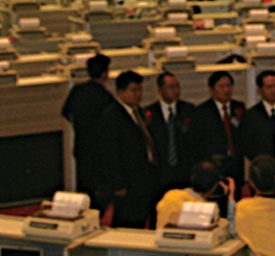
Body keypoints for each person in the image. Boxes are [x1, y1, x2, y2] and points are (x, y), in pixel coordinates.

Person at [98, 70, 160, 228]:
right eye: (134, 90)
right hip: (127, 181)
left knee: (141, 217)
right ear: (121, 91)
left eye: (140, 89)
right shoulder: (112, 116)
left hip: (143, 178)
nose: (138, 94)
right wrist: (118, 184)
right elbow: (110, 154)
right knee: (128, 221)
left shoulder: (137, 111)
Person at [61, 53, 113, 208]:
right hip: (100, 149)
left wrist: (79, 125)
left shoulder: (77, 91)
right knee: (100, 190)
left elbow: (65, 112)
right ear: (105, 73)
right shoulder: (105, 96)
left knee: (85, 186)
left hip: (82, 144)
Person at [188, 70, 246, 200]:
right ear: (211, 90)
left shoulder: (239, 108)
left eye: (229, 86)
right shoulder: (201, 112)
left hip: (236, 166)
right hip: (213, 168)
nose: (226, 90)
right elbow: (194, 144)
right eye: (221, 86)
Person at [142, 72, 194, 195]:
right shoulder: (149, 113)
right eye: (171, 87)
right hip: (160, 173)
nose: (176, 90)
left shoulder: (189, 110)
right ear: (160, 90)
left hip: (184, 172)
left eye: (177, 86)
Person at [155, 160, 236, 230]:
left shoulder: (170, 195)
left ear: (192, 178)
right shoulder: (209, 210)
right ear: (214, 186)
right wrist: (231, 197)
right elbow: (231, 231)